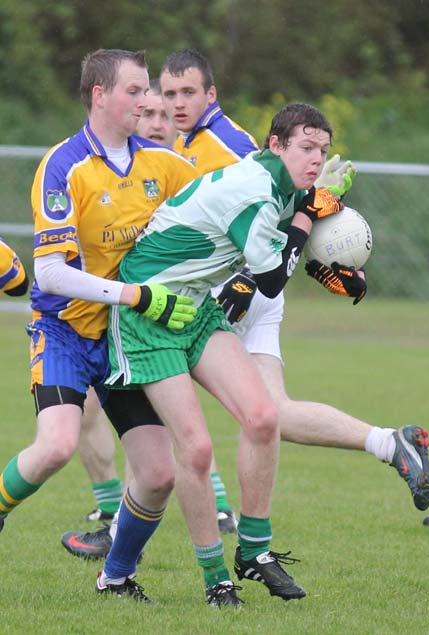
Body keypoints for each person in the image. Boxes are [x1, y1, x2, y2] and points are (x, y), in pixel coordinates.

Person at [67, 48, 429, 562]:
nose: (173, 104)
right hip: (223, 286)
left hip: (233, 292)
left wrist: (310, 222)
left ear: (211, 95)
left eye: (186, 93)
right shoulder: (182, 142)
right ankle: (386, 443)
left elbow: (269, 209)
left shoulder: (232, 143)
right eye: (166, 94)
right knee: (266, 415)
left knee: (178, 410)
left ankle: (135, 533)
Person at [98, 102, 346, 608]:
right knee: (195, 450)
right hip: (147, 313)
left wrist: (325, 230)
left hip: (193, 309)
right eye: (305, 147)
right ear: (274, 145)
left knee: (261, 418)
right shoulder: (256, 191)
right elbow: (273, 280)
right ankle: (216, 581)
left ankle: (254, 551)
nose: (316, 159)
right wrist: (306, 213)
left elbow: (295, 240)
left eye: (322, 149)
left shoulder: (281, 183)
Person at [0, 50, 199, 609]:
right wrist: (138, 294)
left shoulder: (162, 163)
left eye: (148, 92)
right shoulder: (63, 166)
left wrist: (304, 196)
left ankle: (115, 575)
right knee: (57, 446)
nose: (148, 102)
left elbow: (229, 191)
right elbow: (51, 273)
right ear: (99, 95)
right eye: (136, 91)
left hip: (125, 339)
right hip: (64, 332)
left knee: (159, 474)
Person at [67, 78, 181, 542]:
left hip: (162, 320)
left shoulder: (181, 171)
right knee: (86, 418)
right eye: (146, 111)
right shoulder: (92, 167)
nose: (154, 122)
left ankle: (217, 515)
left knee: (184, 429)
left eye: (163, 114)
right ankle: (113, 515)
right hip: (104, 320)